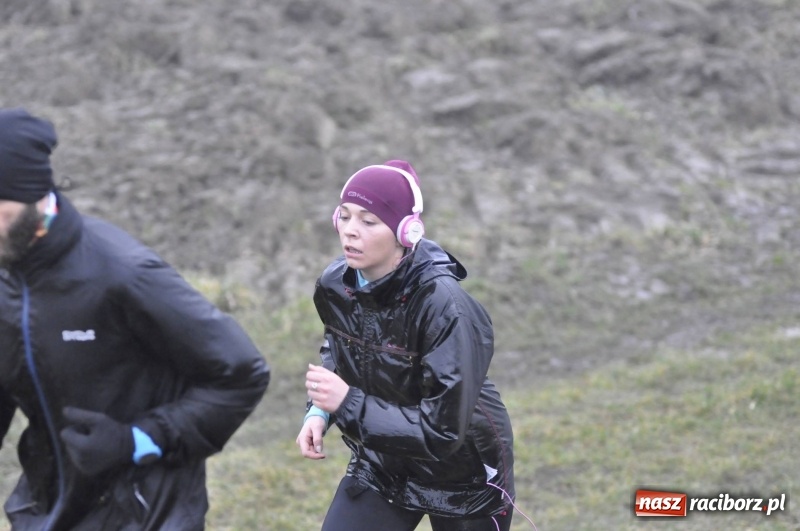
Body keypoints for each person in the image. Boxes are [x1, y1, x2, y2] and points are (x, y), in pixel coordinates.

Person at [0, 107, 271, 531]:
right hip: (46, 511)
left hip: (145, 515)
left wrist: (136, 441)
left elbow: (242, 374)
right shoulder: (7, 273)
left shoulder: (123, 274)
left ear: (35, 195)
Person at [296, 160, 516, 531]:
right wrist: (319, 410)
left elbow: (444, 431)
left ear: (406, 232)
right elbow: (341, 345)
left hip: (463, 477)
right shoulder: (335, 285)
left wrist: (346, 403)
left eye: (369, 221)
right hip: (383, 462)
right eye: (344, 216)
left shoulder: (446, 308)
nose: (350, 230)